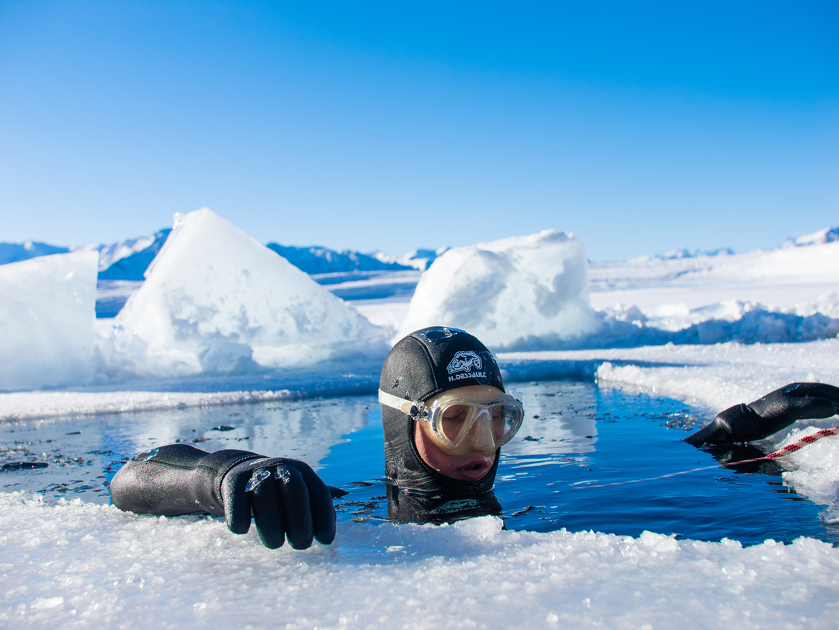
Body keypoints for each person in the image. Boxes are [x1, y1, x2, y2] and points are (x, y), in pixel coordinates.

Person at [110, 326, 839, 549]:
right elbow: (134, 475)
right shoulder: (331, 511)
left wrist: (765, 412)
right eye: (456, 417)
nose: (484, 442)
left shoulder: (543, 495)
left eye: (499, 416)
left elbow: (697, 450)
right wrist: (227, 476)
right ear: (403, 422)